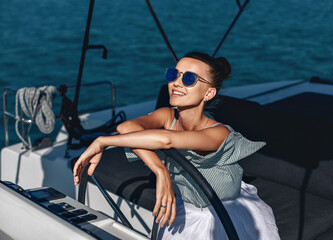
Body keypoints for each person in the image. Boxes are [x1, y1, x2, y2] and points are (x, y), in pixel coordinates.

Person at [73, 52, 280, 239]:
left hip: (224, 210)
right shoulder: (167, 116)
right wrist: (159, 169)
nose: (177, 83)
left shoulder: (219, 133)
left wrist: (101, 141)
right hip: (187, 205)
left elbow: (166, 140)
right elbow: (128, 127)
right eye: (175, 74)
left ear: (208, 94)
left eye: (189, 78)